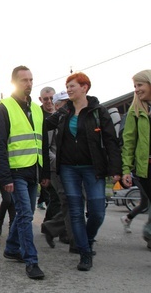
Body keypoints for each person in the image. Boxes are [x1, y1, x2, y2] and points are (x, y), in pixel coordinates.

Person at [46, 72, 121, 271]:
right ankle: (85, 254)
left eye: (72, 86)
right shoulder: (63, 113)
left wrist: (115, 169)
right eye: (67, 86)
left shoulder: (98, 111)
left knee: (97, 212)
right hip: (68, 169)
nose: (69, 89)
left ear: (84, 87)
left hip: (93, 168)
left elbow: (112, 142)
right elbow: (42, 125)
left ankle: (86, 239)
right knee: (76, 212)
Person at [0, 65, 49, 279]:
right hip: (15, 171)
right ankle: (31, 261)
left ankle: (11, 248)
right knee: (25, 214)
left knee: (26, 214)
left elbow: (41, 143)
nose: (29, 83)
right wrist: (4, 177)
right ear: (15, 82)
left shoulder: (36, 109)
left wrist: (45, 173)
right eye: (24, 80)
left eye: (31, 79)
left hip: (34, 170)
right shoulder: (4, 107)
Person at [41, 91, 75, 249]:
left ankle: (57, 229)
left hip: (71, 166)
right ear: (57, 105)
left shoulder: (72, 117)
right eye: (63, 102)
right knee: (68, 201)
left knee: (75, 200)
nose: (68, 104)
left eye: (68, 101)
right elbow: (44, 148)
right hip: (56, 168)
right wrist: (55, 163)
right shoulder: (51, 121)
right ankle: (72, 237)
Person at [121, 69, 151, 249]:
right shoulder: (135, 110)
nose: (137, 90)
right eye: (134, 86)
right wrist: (126, 169)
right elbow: (129, 141)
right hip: (146, 168)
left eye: (140, 85)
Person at [37, 87, 56, 212]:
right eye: (46, 99)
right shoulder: (37, 115)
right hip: (46, 155)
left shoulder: (61, 111)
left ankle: (50, 223)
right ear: (40, 99)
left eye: (52, 98)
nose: (49, 101)